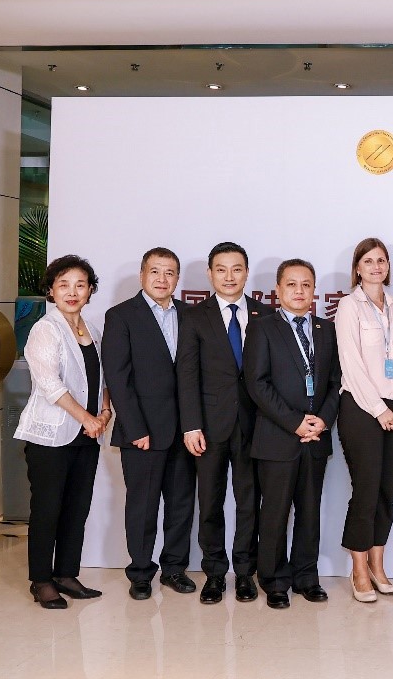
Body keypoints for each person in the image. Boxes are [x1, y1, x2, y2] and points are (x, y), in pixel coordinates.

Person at [176, 241, 272, 605]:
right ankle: (214, 573)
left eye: (236, 269)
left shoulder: (265, 314)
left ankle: (245, 572)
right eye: (221, 269)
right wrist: (191, 425)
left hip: (254, 425)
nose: (229, 277)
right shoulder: (194, 317)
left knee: (249, 502)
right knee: (210, 502)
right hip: (209, 426)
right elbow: (187, 375)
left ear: (246, 272)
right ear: (210, 274)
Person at [244, 259, 342, 609]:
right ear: (278, 290)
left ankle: (306, 577)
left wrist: (322, 420)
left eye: (306, 285)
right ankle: (273, 580)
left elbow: (336, 382)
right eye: (291, 284)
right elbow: (257, 384)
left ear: (314, 290)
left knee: (309, 511)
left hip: (316, 437)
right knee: (275, 512)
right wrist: (295, 422)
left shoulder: (326, 329)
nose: (299, 291)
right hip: (278, 436)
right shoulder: (263, 328)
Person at [15, 255, 111, 609]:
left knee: (77, 508)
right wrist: (86, 418)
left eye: (80, 285)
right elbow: (49, 384)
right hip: (51, 437)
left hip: (87, 435)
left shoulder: (92, 331)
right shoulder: (45, 329)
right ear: (51, 291)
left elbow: (102, 379)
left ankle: (67, 574)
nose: (72, 292)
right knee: (47, 509)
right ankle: (41, 580)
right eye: (64, 285)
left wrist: (104, 411)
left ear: (90, 290)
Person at [102, 247, 195, 601]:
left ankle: (174, 569)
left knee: (181, 504)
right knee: (142, 506)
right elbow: (118, 377)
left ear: (177, 279)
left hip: (185, 430)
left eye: (169, 272)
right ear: (142, 275)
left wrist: (195, 424)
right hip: (142, 431)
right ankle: (141, 572)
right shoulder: (121, 316)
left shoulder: (190, 314)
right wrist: (135, 427)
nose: (162, 279)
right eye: (155, 271)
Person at [334, 238, 393, 603]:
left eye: (381, 260)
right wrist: (379, 409)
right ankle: (359, 569)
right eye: (368, 261)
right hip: (361, 408)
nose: (376, 266)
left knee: (386, 490)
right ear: (357, 268)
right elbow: (351, 364)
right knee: (366, 489)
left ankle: (378, 566)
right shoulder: (348, 307)